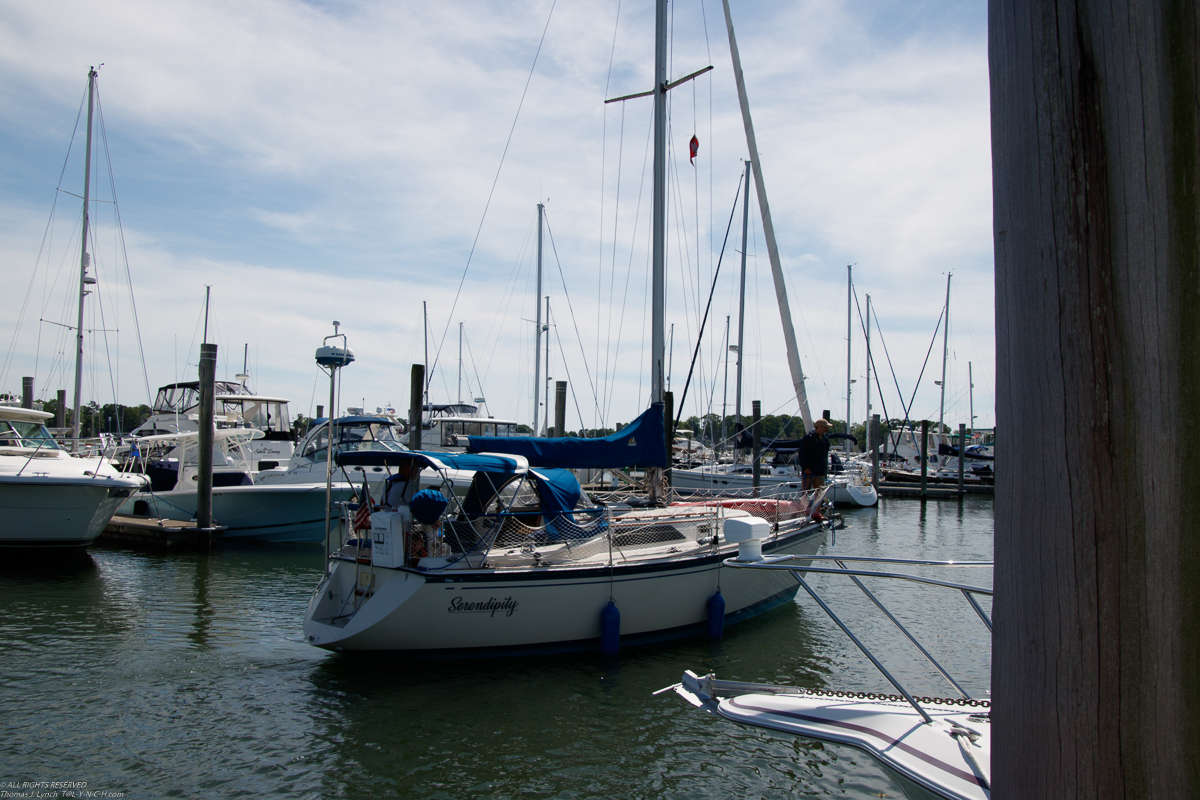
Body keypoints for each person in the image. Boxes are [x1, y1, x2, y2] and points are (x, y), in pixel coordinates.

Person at [798, 418, 832, 490]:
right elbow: (802, 454)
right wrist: (805, 467)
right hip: (808, 472)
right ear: (820, 427)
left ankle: (819, 502)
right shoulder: (808, 439)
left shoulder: (825, 440)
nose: (827, 429)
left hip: (820, 472)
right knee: (805, 493)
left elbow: (825, 454)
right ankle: (805, 502)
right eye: (826, 427)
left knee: (820, 493)